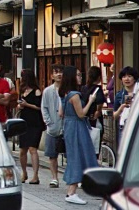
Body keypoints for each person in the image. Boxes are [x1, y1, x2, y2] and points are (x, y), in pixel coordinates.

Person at [59, 66, 98, 205]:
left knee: (75, 156)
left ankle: (72, 190)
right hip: (77, 126)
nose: (80, 77)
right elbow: (81, 114)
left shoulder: (64, 93)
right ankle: (72, 192)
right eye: (77, 75)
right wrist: (91, 100)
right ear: (71, 77)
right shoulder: (75, 95)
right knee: (80, 155)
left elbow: (60, 113)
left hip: (69, 126)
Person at [16, 69, 43, 185]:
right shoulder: (22, 91)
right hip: (24, 121)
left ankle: (35, 175)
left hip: (35, 122)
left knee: (33, 149)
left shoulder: (37, 91)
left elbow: (40, 107)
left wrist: (27, 105)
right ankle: (24, 172)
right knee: (22, 149)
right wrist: (19, 106)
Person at [41, 64, 63, 188]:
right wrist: (48, 122)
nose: (59, 74)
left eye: (61, 72)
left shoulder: (68, 90)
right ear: (52, 75)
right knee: (52, 154)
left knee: (70, 154)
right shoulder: (47, 91)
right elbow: (44, 108)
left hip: (66, 125)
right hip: (52, 126)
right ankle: (54, 178)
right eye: (56, 72)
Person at [81, 66, 105, 150]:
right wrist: (98, 111)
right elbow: (100, 102)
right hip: (93, 119)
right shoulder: (98, 89)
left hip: (84, 119)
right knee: (95, 142)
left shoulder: (83, 88)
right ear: (99, 77)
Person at [113, 66, 139, 143]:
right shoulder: (119, 95)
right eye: (124, 76)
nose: (126, 79)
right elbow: (114, 116)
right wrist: (121, 108)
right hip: (123, 127)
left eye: (129, 76)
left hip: (138, 127)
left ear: (134, 78)